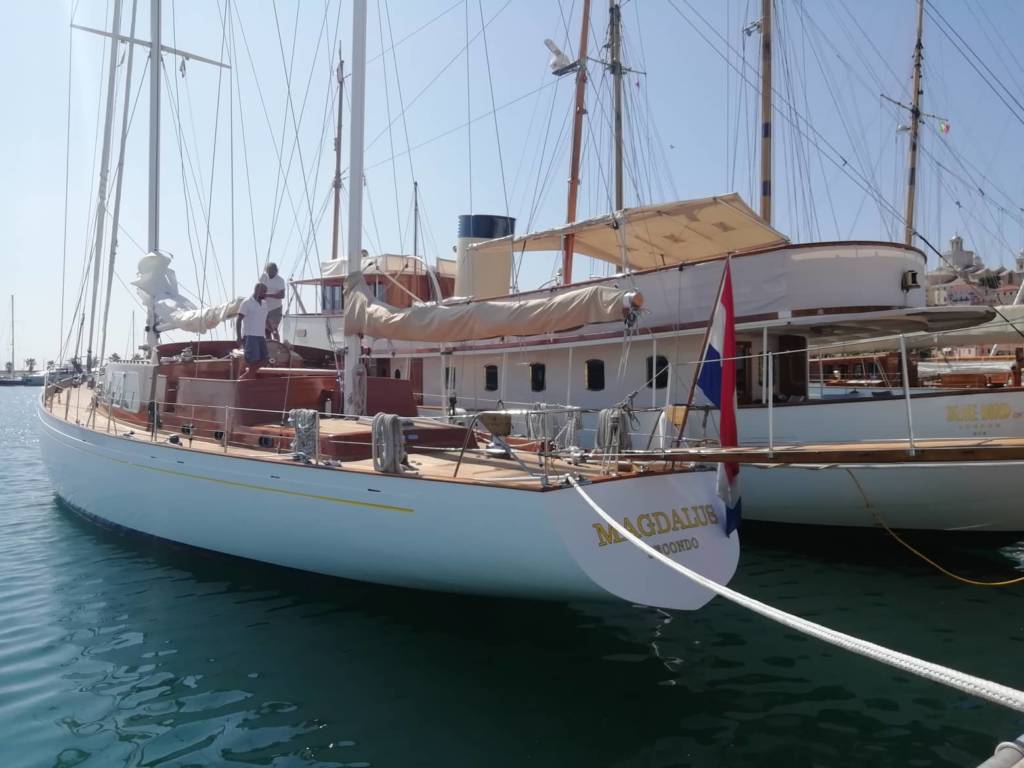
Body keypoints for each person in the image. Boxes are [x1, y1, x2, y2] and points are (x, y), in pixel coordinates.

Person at [236, 283, 269, 380]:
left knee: (265, 360)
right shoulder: (247, 302)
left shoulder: (264, 303)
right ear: (258, 291)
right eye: (264, 292)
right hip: (250, 336)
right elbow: (239, 320)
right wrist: (238, 337)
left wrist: (273, 329)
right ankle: (247, 379)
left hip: (261, 336)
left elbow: (266, 318)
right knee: (253, 361)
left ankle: (244, 377)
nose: (266, 294)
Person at [260, 262, 286, 341]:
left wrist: (268, 295)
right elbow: (259, 288)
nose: (270, 272)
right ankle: (269, 345)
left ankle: (277, 344)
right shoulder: (263, 277)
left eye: (271, 270)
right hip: (264, 307)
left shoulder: (280, 280)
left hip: (275, 308)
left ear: (276, 270)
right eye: (268, 270)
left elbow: (282, 295)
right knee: (266, 330)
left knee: (274, 329)